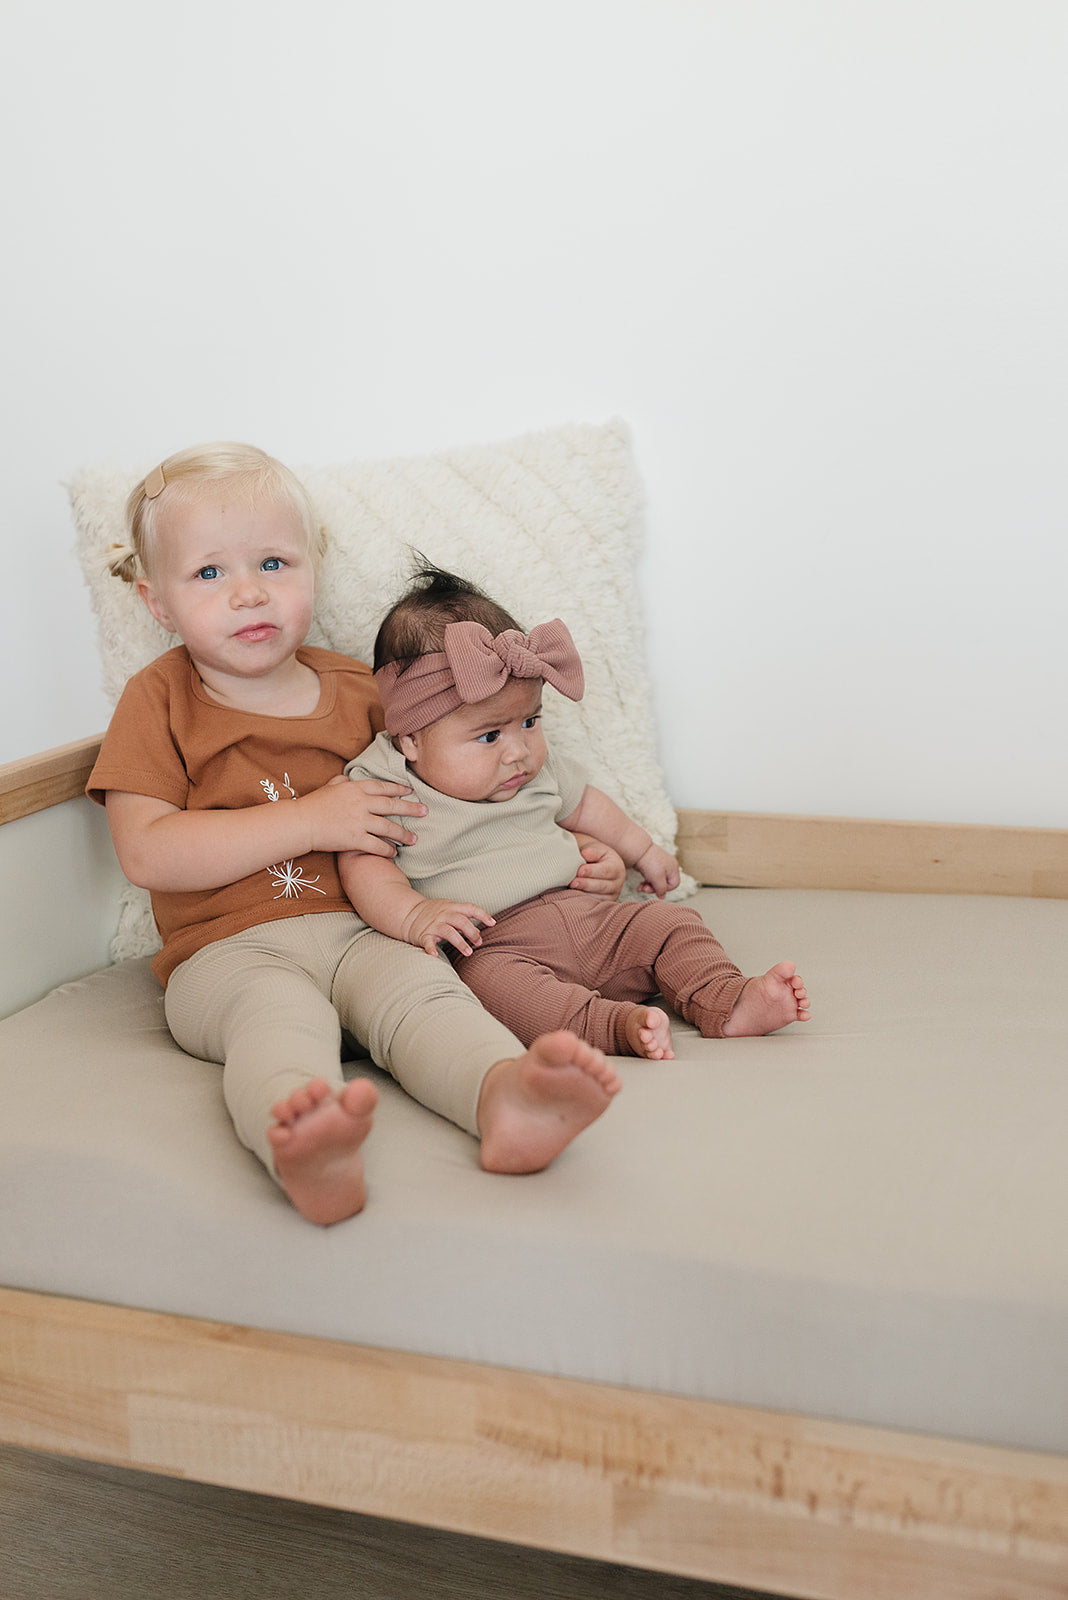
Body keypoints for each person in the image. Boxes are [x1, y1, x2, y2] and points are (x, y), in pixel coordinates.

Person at [86, 444, 624, 1227]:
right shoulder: (160, 699)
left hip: (368, 930)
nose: (248, 592)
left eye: (274, 563)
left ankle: (504, 1098)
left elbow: (466, 785)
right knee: (277, 1021)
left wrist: (561, 852)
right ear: (156, 602)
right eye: (208, 573)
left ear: (314, 566)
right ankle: (305, 1142)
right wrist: (310, 818)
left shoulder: (366, 691)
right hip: (227, 952)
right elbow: (147, 851)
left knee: (429, 999)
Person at [341, 566, 811, 1061]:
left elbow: (586, 804)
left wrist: (643, 850)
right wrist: (414, 914)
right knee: (494, 989)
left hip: (592, 916)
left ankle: (728, 1000)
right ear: (411, 740)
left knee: (671, 923)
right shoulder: (385, 786)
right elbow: (361, 862)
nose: (519, 752)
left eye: (530, 721)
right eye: (489, 735)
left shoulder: (536, 771)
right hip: (497, 945)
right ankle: (617, 1027)